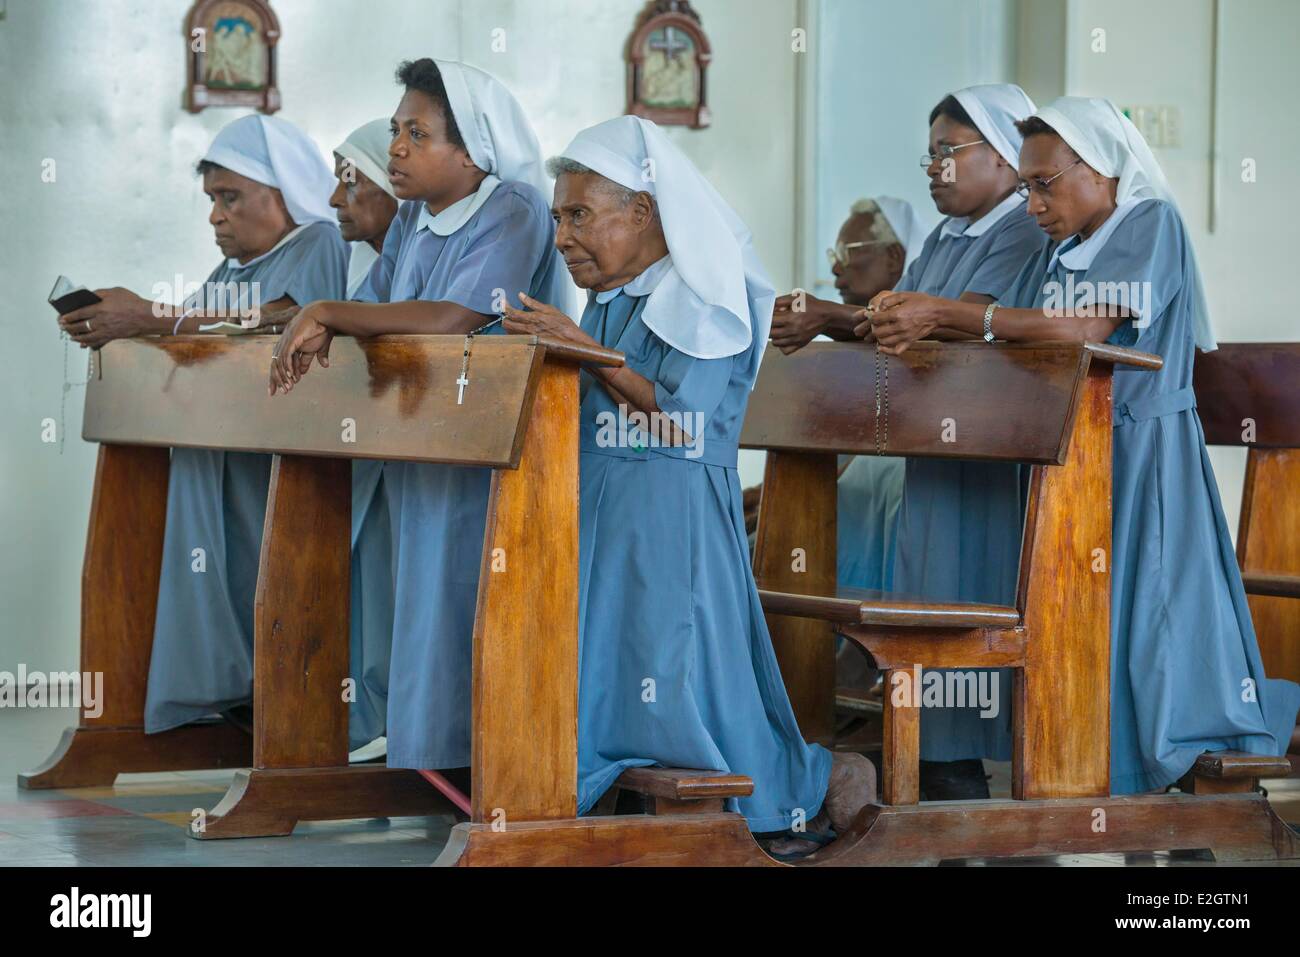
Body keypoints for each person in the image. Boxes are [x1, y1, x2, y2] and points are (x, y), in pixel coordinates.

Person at [865, 96, 1300, 793]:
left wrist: (949, 312)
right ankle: (1110, 775)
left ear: (1100, 167)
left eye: (1045, 183)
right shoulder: (1063, 243)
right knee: (1094, 622)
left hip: (1141, 453)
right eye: (1028, 185)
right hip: (1080, 460)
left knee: (1152, 612)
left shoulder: (1148, 222)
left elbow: (1081, 329)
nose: (1032, 202)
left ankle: (1187, 761)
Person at [499, 115, 874, 859]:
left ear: (641, 211)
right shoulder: (610, 295)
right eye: (559, 217)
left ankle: (777, 787)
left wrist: (589, 354)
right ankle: (607, 779)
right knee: (604, 648)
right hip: (607, 498)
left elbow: (683, 425)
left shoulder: (706, 291)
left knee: (676, 659)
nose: (565, 236)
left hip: (672, 507)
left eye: (580, 215)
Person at [267, 59, 567, 773]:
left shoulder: (513, 209)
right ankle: (425, 758)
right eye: (398, 129)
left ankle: (489, 763)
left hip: (494, 446)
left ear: (472, 150)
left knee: (469, 591)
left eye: (416, 133)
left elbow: (453, 315)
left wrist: (328, 312)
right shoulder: (410, 219)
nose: (396, 147)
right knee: (421, 596)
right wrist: (330, 323)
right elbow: (378, 305)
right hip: (423, 439)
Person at [56, 115, 353, 741]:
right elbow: (200, 324)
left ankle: (275, 707)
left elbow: (282, 319)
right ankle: (224, 701)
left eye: (232, 197)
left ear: (284, 192)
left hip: (280, 461)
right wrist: (128, 324)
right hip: (219, 450)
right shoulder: (232, 270)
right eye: (213, 201)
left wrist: (149, 314)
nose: (217, 217)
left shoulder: (319, 241)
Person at [867, 84, 1048, 801]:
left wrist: (907, 318)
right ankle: (935, 753)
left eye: (949, 152)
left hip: (989, 443)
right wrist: (831, 316)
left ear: (1005, 155)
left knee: (969, 585)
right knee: (926, 583)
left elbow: (967, 319)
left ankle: (970, 756)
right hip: (933, 441)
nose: (934, 168)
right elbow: (898, 315)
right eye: (931, 154)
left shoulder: (1021, 228)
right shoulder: (945, 235)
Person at [330, 118, 402, 762]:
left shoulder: (419, 250)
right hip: (366, 448)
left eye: (350, 184)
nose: (335, 200)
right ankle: (363, 728)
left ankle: (401, 731)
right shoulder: (360, 259)